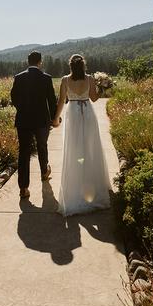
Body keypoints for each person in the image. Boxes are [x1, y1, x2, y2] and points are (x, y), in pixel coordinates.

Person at [53, 54, 111, 216]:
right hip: (88, 114)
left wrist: (56, 119)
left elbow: (61, 101)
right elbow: (94, 98)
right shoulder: (90, 79)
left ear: (71, 66)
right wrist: (102, 88)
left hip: (72, 115)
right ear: (83, 65)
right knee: (90, 148)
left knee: (74, 149)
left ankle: (75, 187)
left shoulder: (65, 80)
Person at [10, 51, 58, 199]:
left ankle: (23, 188)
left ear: (28, 61)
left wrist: (22, 110)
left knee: (24, 153)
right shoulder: (46, 78)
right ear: (40, 62)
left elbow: (14, 97)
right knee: (42, 146)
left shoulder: (19, 77)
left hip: (23, 120)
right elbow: (51, 100)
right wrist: (55, 118)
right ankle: (44, 172)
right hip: (41, 120)